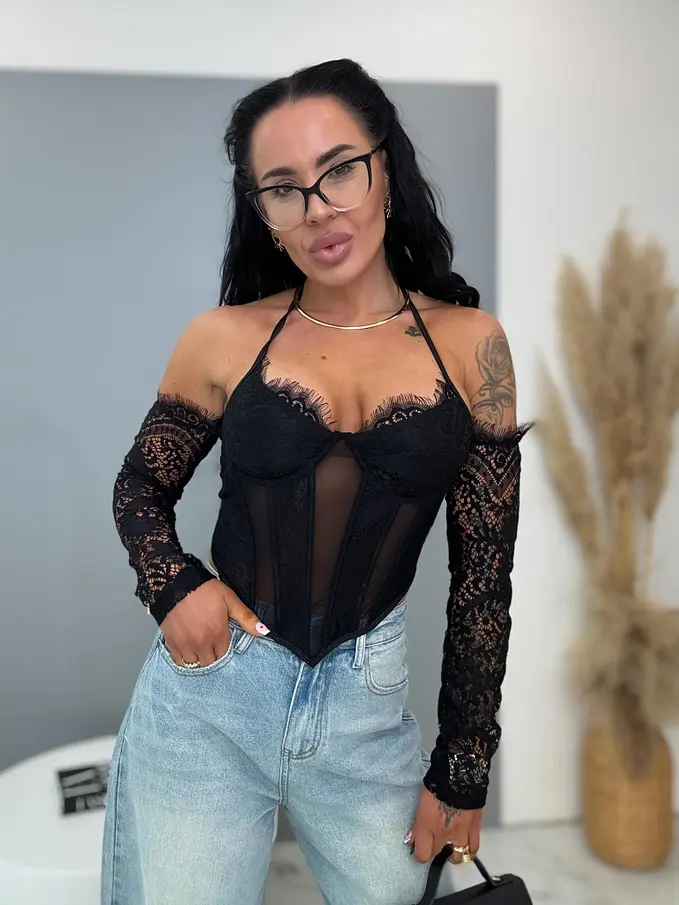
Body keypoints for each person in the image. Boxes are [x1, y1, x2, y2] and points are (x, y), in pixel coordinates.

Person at [101, 58, 529, 905]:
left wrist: (463, 765)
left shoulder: (471, 344)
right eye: (284, 189)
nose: (318, 208)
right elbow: (139, 487)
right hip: (209, 699)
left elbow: (482, 581)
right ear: (263, 212)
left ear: (384, 169)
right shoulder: (224, 337)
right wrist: (173, 584)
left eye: (339, 170)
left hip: (366, 707)